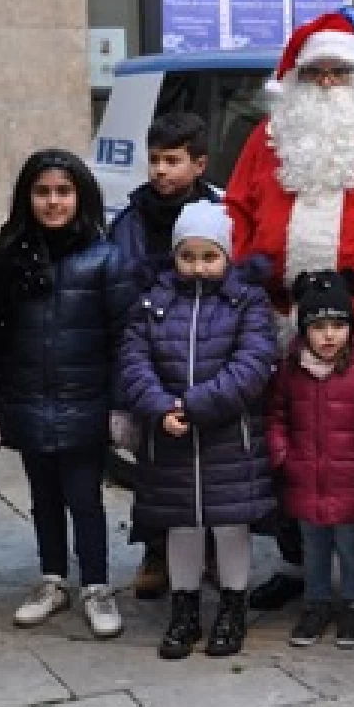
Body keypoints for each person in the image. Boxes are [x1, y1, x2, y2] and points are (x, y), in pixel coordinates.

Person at [227, 12, 354, 612]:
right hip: (284, 318)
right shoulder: (266, 140)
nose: (331, 85)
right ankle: (296, 559)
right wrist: (244, 275)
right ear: (296, 80)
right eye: (318, 74)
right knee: (293, 439)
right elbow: (237, 211)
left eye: (341, 72)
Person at [0, 150, 139, 640]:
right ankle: (52, 578)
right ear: (28, 197)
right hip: (25, 397)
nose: (53, 201)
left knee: (85, 496)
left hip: (86, 402)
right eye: (42, 192)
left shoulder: (106, 259)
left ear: (81, 195)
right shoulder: (10, 257)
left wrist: (119, 404)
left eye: (63, 191)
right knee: (43, 496)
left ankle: (97, 584)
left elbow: (124, 337)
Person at [118, 201, 279, 659]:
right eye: (187, 257)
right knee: (180, 526)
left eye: (209, 257)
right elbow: (134, 362)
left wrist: (194, 405)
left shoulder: (247, 302)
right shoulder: (152, 304)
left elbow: (251, 365)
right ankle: (183, 608)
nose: (198, 267)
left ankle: (232, 606)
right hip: (170, 438)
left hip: (229, 438)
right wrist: (157, 405)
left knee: (230, 525)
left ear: (226, 256)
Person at [106, 112, 224, 600]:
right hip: (152, 353)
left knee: (212, 461)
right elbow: (116, 285)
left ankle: (214, 551)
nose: (160, 171)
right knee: (155, 465)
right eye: (154, 160)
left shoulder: (220, 214)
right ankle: (156, 549)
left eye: (172, 161)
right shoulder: (131, 219)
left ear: (198, 164)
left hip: (208, 351)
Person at [268, 272, 354, 649]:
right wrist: (281, 453)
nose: (329, 336)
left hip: (351, 479)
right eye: (319, 327)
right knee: (314, 546)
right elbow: (277, 415)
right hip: (305, 475)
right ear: (304, 330)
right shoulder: (292, 370)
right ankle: (317, 602)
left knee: (351, 545)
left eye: (338, 326)